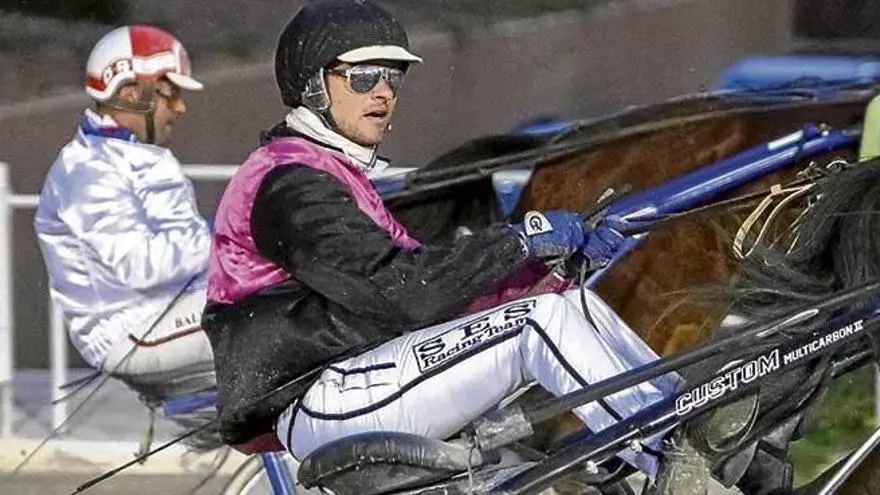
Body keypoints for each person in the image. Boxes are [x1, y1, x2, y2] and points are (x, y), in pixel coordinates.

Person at [202, 0, 685, 488]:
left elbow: (441, 294)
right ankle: (668, 454)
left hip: (364, 380)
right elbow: (404, 291)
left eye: (393, 77)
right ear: (313, 86)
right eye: (364, 77)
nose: (384, 92)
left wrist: (553, 271)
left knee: (570, 302)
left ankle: (686, 418)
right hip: (321, 396)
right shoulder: (290, 182)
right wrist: (518, 241)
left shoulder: (335, 175)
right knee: (541, 322)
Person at [33, 25, 214, 403]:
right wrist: (228, 237)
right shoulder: (86, 172)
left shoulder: (131, 154)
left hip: (165, 313)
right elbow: (141, 266)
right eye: (170, 93)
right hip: (133, 332)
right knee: (293, 311)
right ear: (132, 93)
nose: (180, 107)